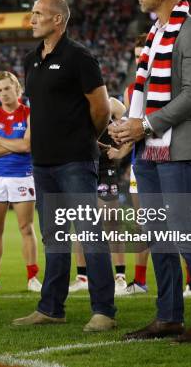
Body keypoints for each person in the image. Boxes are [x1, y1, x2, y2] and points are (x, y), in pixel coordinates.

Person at [110, 0, 191, 343]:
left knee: (185, 231)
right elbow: (143, 95)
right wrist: (129, 126)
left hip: (175, 146)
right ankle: (169, 316)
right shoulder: (157, 33)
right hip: (149, 149)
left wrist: (146, 125)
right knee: (157, 233)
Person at [13, 0, 115, 332]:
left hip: (75, 161)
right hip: (42, 164)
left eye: (38, 14)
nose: (32, 19)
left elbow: (101, 108)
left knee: (89, 235)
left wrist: (85, 138)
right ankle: (51, 308)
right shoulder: (31, 59)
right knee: (53, 238)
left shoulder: (79, 56)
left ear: (58, 20)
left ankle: (103, 310)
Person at [0, 71, 41, 293]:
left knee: (26, 227)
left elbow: (28, 146)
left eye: (7, 88)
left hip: (23, 176)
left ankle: (32, 277)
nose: (3, 93)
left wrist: (1, 140)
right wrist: (14, 144)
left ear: (17, 88)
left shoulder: (31, 114)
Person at [69, 97, 128, 296]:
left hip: (104, 167)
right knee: (81, 223)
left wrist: (116, 148)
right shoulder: (71, 104)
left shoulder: (111, 104)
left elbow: (127, 123)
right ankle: (82, 276)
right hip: (80, 165)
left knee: (112, 222)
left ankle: (120, 276)